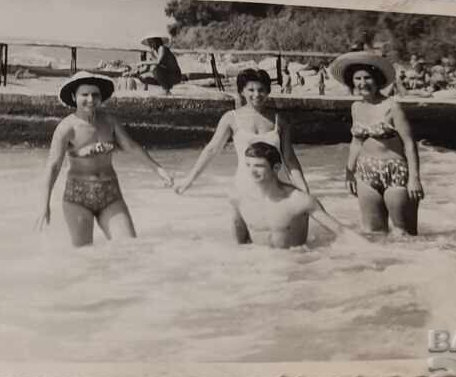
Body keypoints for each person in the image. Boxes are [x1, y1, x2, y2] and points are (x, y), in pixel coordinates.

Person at [36, 72, 174, 247]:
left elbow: (131, 146)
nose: (90, 99)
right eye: (84, 94)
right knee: (85, 256)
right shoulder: (66, 128)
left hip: (111, 195)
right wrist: (44, 203)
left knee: (130, 249)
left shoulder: (109, 121)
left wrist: (159, 170)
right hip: (78, 197)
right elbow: (53, 166)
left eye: (95, 94)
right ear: (74, 97)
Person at [174, 68, 310, 196]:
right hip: (244, 186)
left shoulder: (280, 120)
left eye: (261, 90)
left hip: (275, 187)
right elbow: (211, 150)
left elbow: (290, 159)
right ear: (242, 91)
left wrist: (303, 189)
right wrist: (188, 180)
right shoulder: (231, 118)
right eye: (251, 90)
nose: (256, 94)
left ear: (268, 91)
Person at [331, 52, 424, 235]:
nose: (362, 83)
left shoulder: (392, 107)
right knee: (373, 233)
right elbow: (356, 142)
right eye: (358, 78)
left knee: (404, 234)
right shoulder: (356, 107)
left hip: (396, 172)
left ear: (377, 79)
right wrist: (349, 173)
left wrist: (414, 178)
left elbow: (409, 144)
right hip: (365, 173)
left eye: (367, 78)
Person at [231, 142, 363, 248]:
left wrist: (375, 252)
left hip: (294, 270)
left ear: (276, 168)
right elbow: (240, 246)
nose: (251, 171)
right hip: (257, 271)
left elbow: (341, 231)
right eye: (248, 165)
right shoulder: (240, 200)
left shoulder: (299, 200)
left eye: (259, 166)